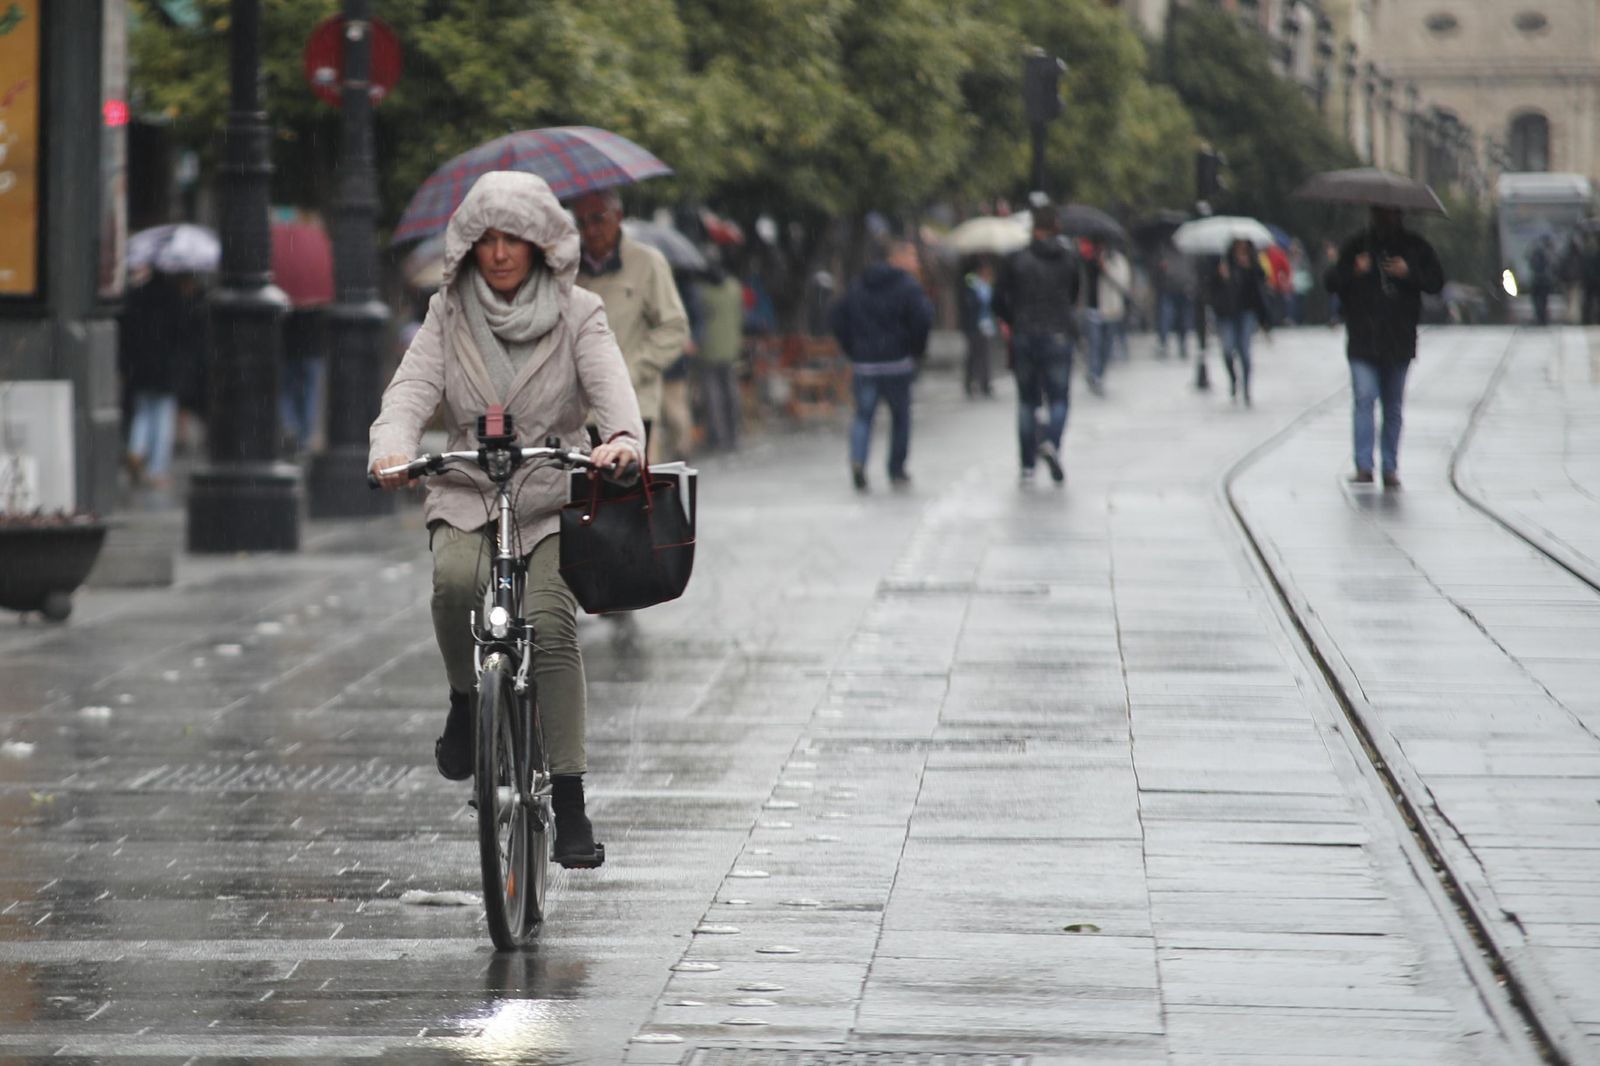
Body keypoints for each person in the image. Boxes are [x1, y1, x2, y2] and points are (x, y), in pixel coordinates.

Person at [368, 171, 644, 867]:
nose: (498, 254)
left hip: (551, 490)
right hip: (468, 483)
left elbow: (612, 392)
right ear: (467, 246)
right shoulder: (447, 312)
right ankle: (467, 702)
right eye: (485, 239)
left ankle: (571, 802)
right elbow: (411, 390)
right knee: (454, 584)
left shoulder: (580, 311)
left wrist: (620, 442)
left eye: (512, 240)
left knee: (550, 624)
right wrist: (393, 448)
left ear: (541, 244)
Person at [1323, 206, 1444, 490]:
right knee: (1364, 398)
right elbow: (1330, 282)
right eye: (1380, 214)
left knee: (1393, 405)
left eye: (1391, 214)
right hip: (1362, 339)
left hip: (1398, 340)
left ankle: (1390, 467)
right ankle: (1364, 466)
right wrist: (1354, 270)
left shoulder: (1414, 247)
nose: (1385, 219)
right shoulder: (1358, 246)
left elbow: (1436, 282)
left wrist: (1408, 272)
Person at [570, 189, 690, 449]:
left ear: (618, 216)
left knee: (627, 474)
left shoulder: (647, 262)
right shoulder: (569, 268)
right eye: (582, 222)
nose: (590, 230)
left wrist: (630, 370)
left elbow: (674, 327)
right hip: (578, 413)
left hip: (634, 405)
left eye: (598, 218)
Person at [828, 238, 933, 491]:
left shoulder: (859, 284)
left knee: (863, 417)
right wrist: (915, 349)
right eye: (912, 257)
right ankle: (896, 469)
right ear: (896, 258)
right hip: (897, 363)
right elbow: (923, 319)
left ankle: (858, 461)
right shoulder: (909, 286)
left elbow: (837, 315)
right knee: (901, 418)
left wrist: (853, 348)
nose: (916, 263)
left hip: (865, 364)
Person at [992, 204, 1078, 485]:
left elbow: (998, 299)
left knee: (1027, 401)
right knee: (1059, 399)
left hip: (1025, 334)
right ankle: (1051, 441)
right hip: (1058, 334)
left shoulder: (1016, 259)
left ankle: (1027, 464)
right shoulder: (1068, 259)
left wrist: (1014, 320)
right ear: (1056, 226)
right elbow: (1073, 294)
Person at [119, 269, 204, 488]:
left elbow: (127, 330)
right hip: (167, 368)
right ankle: (156, 470)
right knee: (163, 416)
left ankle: (136, 450)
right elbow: (185, 333)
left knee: (142, 412)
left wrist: (126, 363)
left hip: (140, 366)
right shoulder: (174, 299)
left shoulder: (136, 295)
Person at [1213, 239, 1272, 406]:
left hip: (1246, 312)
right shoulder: (1223, 264)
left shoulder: (1253, 265)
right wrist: (1221, 277)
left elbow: (1260, 286)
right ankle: (1233, 379)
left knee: (1244, 351)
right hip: (1227, 313)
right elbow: (1211, 289)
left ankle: (1246, 387)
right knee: (1227, 349)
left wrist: (1249, 269)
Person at [694, 261, 746, 450]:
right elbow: (740, 315)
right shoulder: (734, 287)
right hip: (731, 347)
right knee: (731, 392)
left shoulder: (702, 292)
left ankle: (718, 436)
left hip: (709, 349)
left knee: (712, 394)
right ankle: (734, 432)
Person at [957, 258, 997, 398]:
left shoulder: (986, 284)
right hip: (973, 324)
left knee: (984, 354)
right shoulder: (971, 281)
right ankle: (971, 383)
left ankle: (984, 383)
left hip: (986, 324)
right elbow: (969, 302)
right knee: (974, 355)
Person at [1153, 242, 1196, 360]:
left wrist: (1190, 286)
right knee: (1166, 319)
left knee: (1183, 320)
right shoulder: (1164, 253)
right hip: (1168, 290)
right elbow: (1157, 274)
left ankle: (1182, 344)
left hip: (1184, 291)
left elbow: (1192, 273)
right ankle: (1163, 343)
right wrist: (1161, 269)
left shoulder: (1188, 254)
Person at [1528, 236, 1554, 327]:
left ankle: (1539, 317)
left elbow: (1531, 264)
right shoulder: (1546, 255)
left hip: (1536, 281)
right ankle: (1542, 318)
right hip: (1544, 281)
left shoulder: (1534, 255)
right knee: (1543, 301)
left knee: (1537, 301)